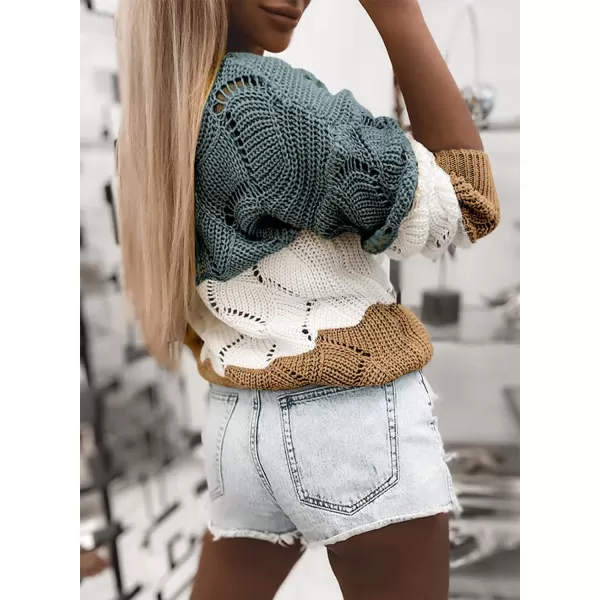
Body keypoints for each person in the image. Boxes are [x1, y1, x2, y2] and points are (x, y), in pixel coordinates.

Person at [116, 0, 500, 598]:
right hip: (351, 427)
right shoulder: (260, 104)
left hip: (236, 427)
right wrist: (399, 15)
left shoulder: (158, 111)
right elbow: (470, 201)